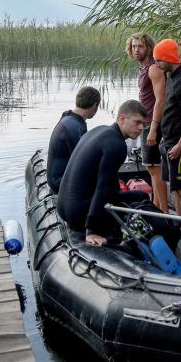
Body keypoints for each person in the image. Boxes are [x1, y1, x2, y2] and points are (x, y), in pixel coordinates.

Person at [57, 99, 150, 246]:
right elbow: (103, 188)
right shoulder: (117, 145)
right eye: (137, 122)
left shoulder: (99, 131)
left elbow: (109, 187)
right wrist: (92, 229)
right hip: (79, 214)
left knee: (141, 195)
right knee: (140, 204)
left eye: (143, 124)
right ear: (122, 118)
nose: (141, 128)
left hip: (64, 209)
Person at [153, 38, 181, 218]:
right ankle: (179, 225)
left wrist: (180, 145)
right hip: (169, 142)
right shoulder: (171, 77)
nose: (156, 64)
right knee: (174, 188)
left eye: (158, 60)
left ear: (169, 58)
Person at [126, 32, 169, 212]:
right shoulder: (143, 67)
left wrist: (153, 128)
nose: (136, 50)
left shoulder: (153, 68)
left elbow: (161, 100)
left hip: (153, 123)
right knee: (151, 168)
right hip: (146, 122)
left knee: (155, 169)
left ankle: (165, 213)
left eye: (140, 46)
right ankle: (157, 208)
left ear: (148, 48)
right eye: (134, 46)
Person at [46, 86, 101, 193]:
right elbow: (85, 162)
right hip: (60, 182)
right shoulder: (76, 127)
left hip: (57, 178)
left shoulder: (68, 118)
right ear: (95, 105)